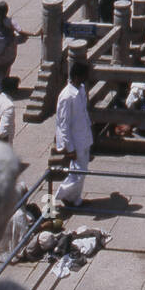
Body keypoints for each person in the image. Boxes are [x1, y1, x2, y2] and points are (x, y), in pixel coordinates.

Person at [54, 61, 93, 207]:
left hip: (84, 137)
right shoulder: (66, 96)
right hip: (75, 141)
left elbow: (84, 113)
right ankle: (63, 195)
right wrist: (70, 149)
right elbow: (63, 124)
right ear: (77, 76)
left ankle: (75, 199)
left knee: (81, 172)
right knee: (77, 173)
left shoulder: (81, 89)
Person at [0, 1, 30, 89]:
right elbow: (21, 32)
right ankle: (0, 86)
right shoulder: (10, 21)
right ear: (7, 10)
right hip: (8, 51)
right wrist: (34, 34)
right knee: (5, 68)